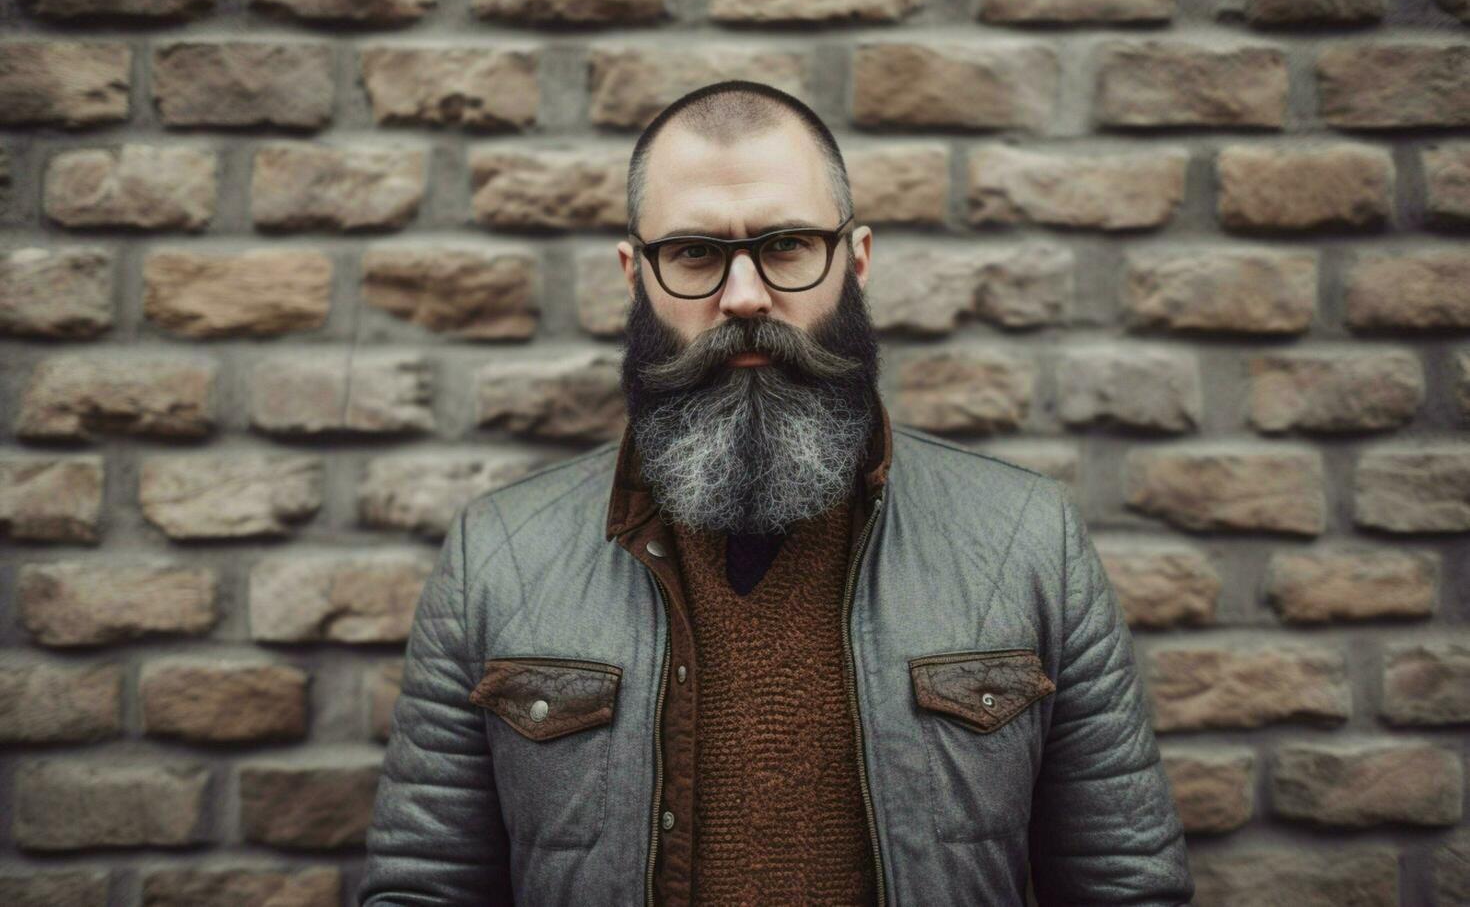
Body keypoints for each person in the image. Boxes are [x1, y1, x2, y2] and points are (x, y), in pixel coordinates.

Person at [357, 80, 1194, 906]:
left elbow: (1126, 885)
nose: (746, 295)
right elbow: (424, 888)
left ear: (855, 260)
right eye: (694, 254)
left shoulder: (1028, 539)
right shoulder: (495, 557)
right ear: (633, 275)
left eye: (788, 245)